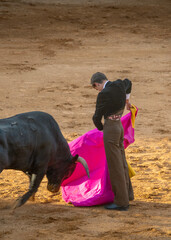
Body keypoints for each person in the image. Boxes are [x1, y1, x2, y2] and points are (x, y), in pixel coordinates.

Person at [91, 72, 134, 211]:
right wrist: (127, 101)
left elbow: (97, 117)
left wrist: (101, 128)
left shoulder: (103, 94)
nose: (97, 90)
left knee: (115, 166)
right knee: (121, 161)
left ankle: (122, 202)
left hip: (111, 128)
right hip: (120, 126)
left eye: (95, 87)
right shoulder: (119, 84)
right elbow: (129, 82)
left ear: (97, 84)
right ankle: (128, 194)